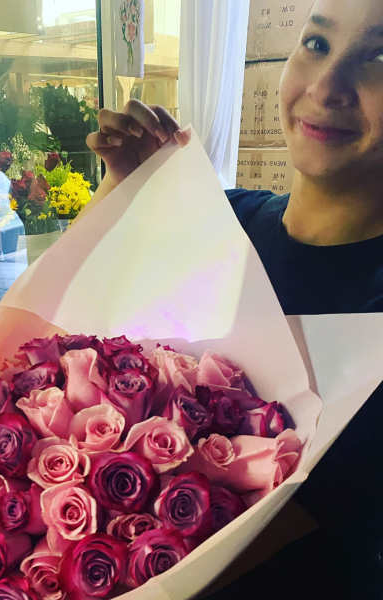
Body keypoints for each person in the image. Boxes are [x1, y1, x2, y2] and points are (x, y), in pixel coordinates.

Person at [86, 0, 383, 597]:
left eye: (378, 59)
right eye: (317, 45)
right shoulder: (221, 221)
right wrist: (125, 198)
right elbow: (80, 339)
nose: (327, 87)